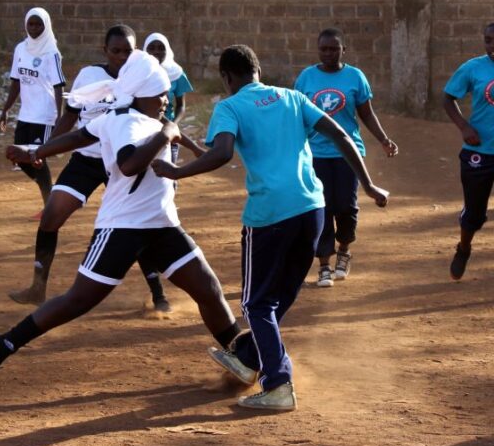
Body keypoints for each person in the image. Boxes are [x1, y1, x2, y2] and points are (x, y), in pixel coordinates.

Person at [0, 50, 241, 387]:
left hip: (162, 225)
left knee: (208, 289)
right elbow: (129, 164)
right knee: (78, 300)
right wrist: (165, 135)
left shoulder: (136, 117)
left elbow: (81, 136)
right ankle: (5, 343)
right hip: (122, 227)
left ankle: (240, 355)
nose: (165, 99)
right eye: (160, 94)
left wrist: (37, 151)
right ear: (142, 94)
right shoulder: (128, 121)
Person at [152, 44, 388, 411]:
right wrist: (369, 184)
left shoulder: (229, 106)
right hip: (313, 208)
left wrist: (176, 171)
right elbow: (341, 134)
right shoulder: (293, 98)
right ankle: (248, 357)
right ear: (258, 70)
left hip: (269, 215)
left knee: (257, 303)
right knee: (277, 299)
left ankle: (278, 384)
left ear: (227, 78)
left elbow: (222, 152)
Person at [8, 25, 172, 312]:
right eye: (116, 50)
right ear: (104, 50)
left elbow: (156, 122)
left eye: (128, 51)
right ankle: (38, 286)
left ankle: (158, 295)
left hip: (122, 163)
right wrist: (43, 150)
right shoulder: (89, 76)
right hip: (87, 159)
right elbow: (70, 118)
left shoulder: (140, 81)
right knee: (51, 216)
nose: (122, 56)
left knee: (137, 224)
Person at [294, 28, 398, 288]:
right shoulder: (306, 78)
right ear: (318, 50)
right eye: (324, 49)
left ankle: (344, 250)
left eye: (334, 48)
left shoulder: (355, 77)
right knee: (323, 207)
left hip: (348, 153)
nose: (328, 53)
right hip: (316, 154)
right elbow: (297, 117)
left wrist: (384, 139)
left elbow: (366, 113)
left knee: (346, 206)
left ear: (343, 50)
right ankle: (324, 265)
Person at [443, 22, 494, 280]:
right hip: (480, 151)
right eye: (488, 40)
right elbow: (448, 98)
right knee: (474, 212)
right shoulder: (473, 68)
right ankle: (463, 249)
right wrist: (464, 127)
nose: (492, 45)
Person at [0, 8, 65, 205]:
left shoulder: (52, 53)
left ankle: (49, 203)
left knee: (37, 158)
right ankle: (49, 193)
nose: (34, 28)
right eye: (31, 24)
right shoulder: (21, 49)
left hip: (44, 115)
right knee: (19, 157)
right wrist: (6, 109)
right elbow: (16, 82)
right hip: (25, 114)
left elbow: (58, 86)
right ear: (26, 25)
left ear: (46, 26)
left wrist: (59, 116)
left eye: (39, 24)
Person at [143, 32, 195, 164]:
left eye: (161, 48)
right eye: (152, 48)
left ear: (168, 51)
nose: (156, 51)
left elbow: (181, 105)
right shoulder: (138, 73)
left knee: (169, 171)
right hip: (143, 129)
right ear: (145, 50)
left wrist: (173, 124)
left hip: (167, 131)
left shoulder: (176, 73)